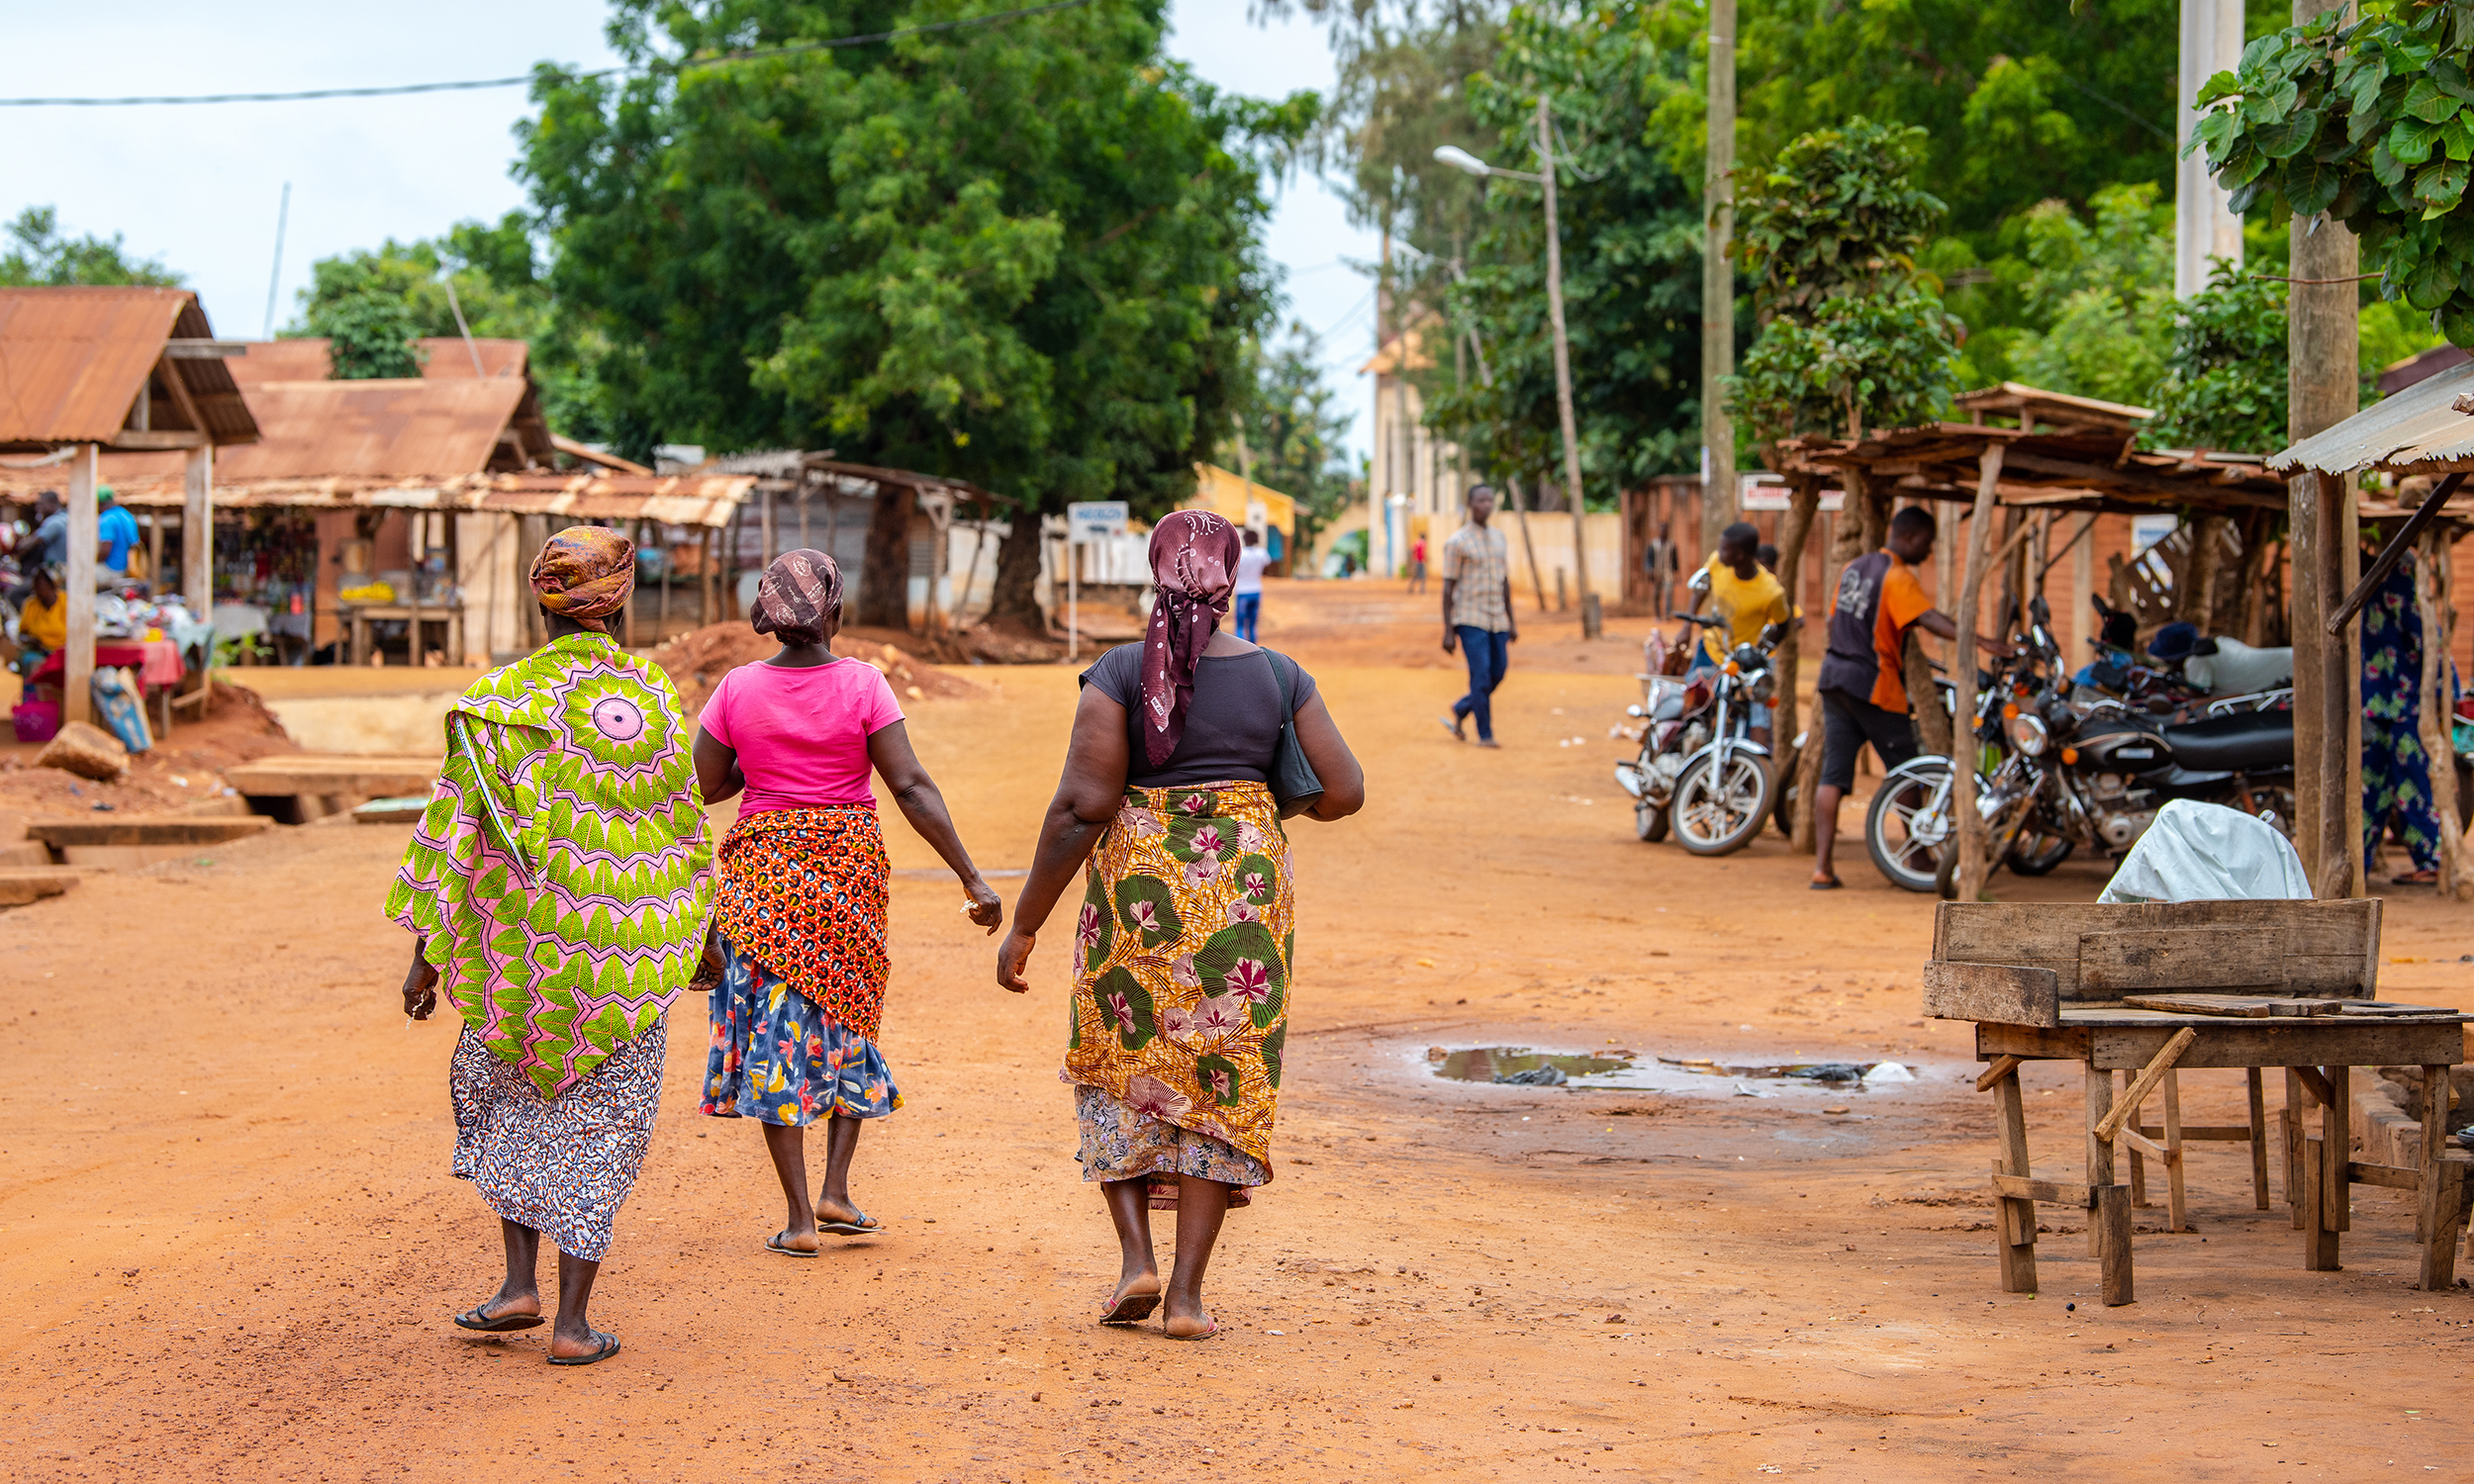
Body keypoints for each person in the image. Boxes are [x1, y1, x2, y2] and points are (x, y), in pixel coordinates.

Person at [996, 510, 1365, 1341]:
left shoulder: (1120, 673)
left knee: (1118, 1054)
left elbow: (1082, 806)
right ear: (1231, 580)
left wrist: (1026, 924)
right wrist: (1254, 810)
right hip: (1243, 896)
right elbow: (1344, 790)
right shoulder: (1281, 676)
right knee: (1219, 1081)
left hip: (1141, 895)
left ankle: (1136, 1261)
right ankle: (1189, 1299)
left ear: (1156, 571)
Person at [388, 525, 714, 1367]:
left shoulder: (496, 701)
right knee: (600, 1129)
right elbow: (679, 826)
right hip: (627, 952)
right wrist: (699, 931)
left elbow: (452, 831)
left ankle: (515, 1286)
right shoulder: (645, 694)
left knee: (514, 1106)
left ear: (543, 600)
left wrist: (428, 951)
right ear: (621, 595)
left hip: (520, 955)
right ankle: (570, 1323)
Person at [693, 548, 1003, 1253]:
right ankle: (837, 1185)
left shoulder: (737, 688)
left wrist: (756, 756)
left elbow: (706, 788)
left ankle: (803, 1216)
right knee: (848, 1011)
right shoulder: (865, 683)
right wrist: (971, 878)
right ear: (836, 611)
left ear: (768, 617)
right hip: (848, 874)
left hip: (764, 875)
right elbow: (912, 787)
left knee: (776, 1028)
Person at [1809, 505, 2007, 890]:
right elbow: (1929, 619)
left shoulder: (1854, 568)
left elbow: (1834, 621)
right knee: (1908, 771)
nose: (1928, 553)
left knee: (1832, 774)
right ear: (1911, 536)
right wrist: (1982, 641)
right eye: (1928, 544)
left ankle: (1822, 868)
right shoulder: (1897, 577)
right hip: (1874, 684)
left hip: (1833, 678)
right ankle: (1918, 857)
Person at [2360, 545, 2443, 885]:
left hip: (2406, 702)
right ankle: (2358, 860)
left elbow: (2429, 641)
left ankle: (2430, 859)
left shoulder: (2398, 581)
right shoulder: (2373, 584)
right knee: (2372, 787)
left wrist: (2440, 691)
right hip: (2381, 702)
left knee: (2411, 783)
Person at [1684, 521, 1792, 747]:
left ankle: (1756, 770)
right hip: (1710, 651)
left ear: (1741, 555)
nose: (1719, 553)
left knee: (1755, 718)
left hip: (1744, 665)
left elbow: (1784, 623)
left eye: (1725, 549)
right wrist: (1687, 626)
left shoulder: (1770, 592)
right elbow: (1702, 587)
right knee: (1691, 708)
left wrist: (1763, 651)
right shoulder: (1718, 562)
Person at [1438, 485, 1518, 748]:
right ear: (1470, 504)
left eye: (1489, 500)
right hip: (1470, 618)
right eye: (1481, 500)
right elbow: (1448, 588)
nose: (1486, 505)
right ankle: (1485, 735)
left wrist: (1512, 620)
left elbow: (1504, 582)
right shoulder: (1457, 542)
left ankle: (1462, 707)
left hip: (1497, 618)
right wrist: (1448, 630)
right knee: (1481, 676)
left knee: (1499, 672)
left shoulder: (1499, 538)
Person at [14, 567, 63, 678]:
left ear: (52, 585)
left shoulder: (65, 602)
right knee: (27, 660)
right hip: (40, 651)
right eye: (36, 584)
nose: (38, 588)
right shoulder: (31, 604)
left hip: (62, 652)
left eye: (42, 584)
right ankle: (30, 695)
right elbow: (22, 633)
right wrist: (31, 640)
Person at [1232, 528, 1270, 643]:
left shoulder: (1240, 554)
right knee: (1253, 625)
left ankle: (1240, 650)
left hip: (1242, 591)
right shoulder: (1262, 553)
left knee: (1240, 625)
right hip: (1256, 590)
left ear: (1244, 539)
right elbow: (1266, 565)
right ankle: (1254, 650)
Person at [95, 489, 140, 580]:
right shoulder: (126, 515)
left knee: (77, 573)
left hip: (112, 570)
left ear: (99, 504)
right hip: (128, 570)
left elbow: (105, 549)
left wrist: (95, 561)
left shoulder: (107, 518)